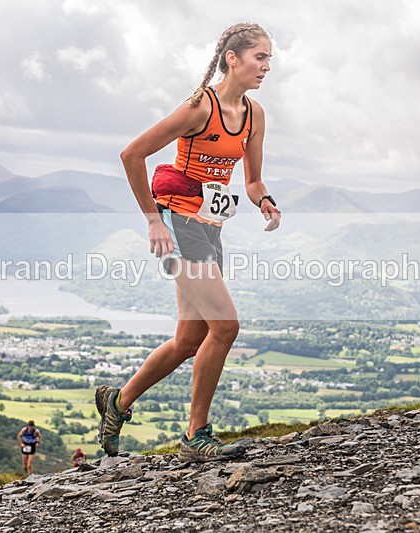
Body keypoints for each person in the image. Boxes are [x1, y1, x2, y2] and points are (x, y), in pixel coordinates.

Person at [96, 22, 281, 463]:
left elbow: (251, 180)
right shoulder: (201, 106)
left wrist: (266, 202)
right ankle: (196, 434)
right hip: (178, 225)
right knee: (226, 326)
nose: (267, 66)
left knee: (189, 340)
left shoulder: (254, 114)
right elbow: (132, 154)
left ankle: (117, 404)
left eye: (270, 58)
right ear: (232, 58)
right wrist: (151, 220)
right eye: (261, 57)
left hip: (210, 227)